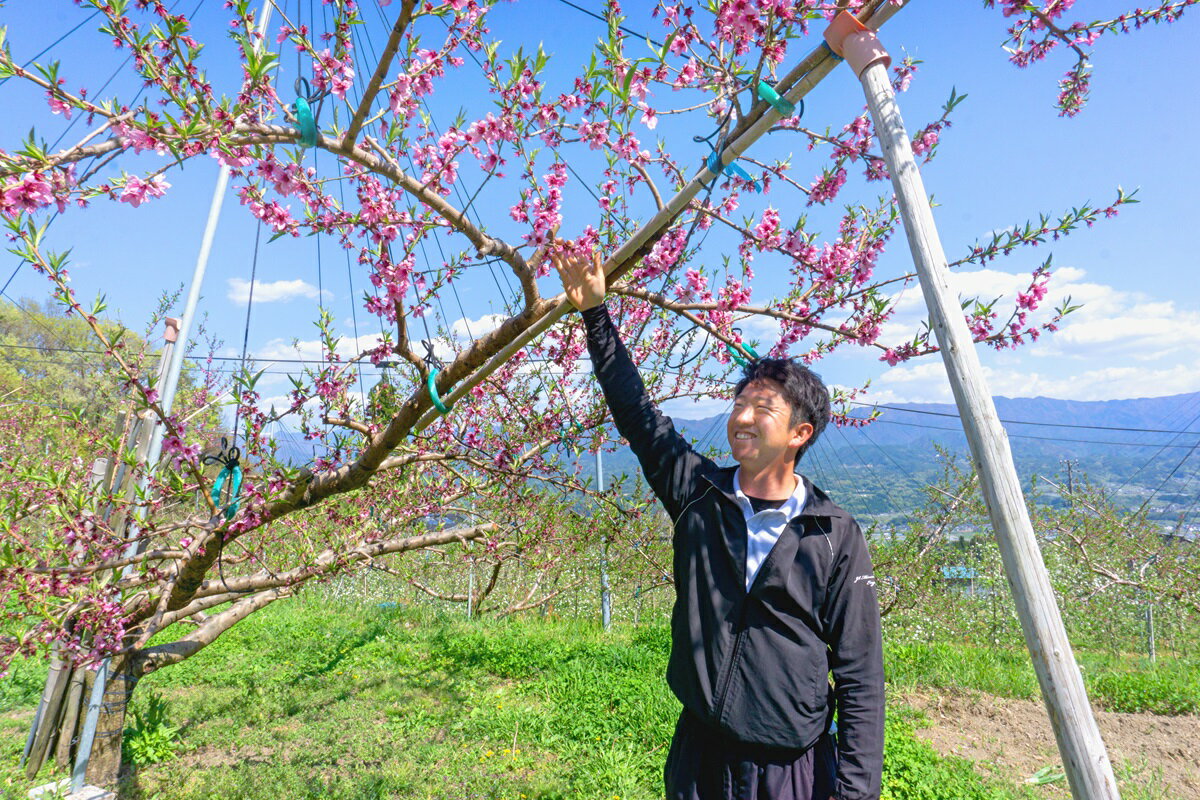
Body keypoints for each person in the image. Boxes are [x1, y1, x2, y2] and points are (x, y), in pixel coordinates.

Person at [552, 246, 885, 800]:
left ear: (800, 434)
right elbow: (638, 416)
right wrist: (595, 314)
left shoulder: (833, 534)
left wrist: (854, 793)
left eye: (764, 408)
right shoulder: (698, 495)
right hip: (701, 756)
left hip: (789, 770)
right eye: (739, 403)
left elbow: (859, 677)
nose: (743, 416)